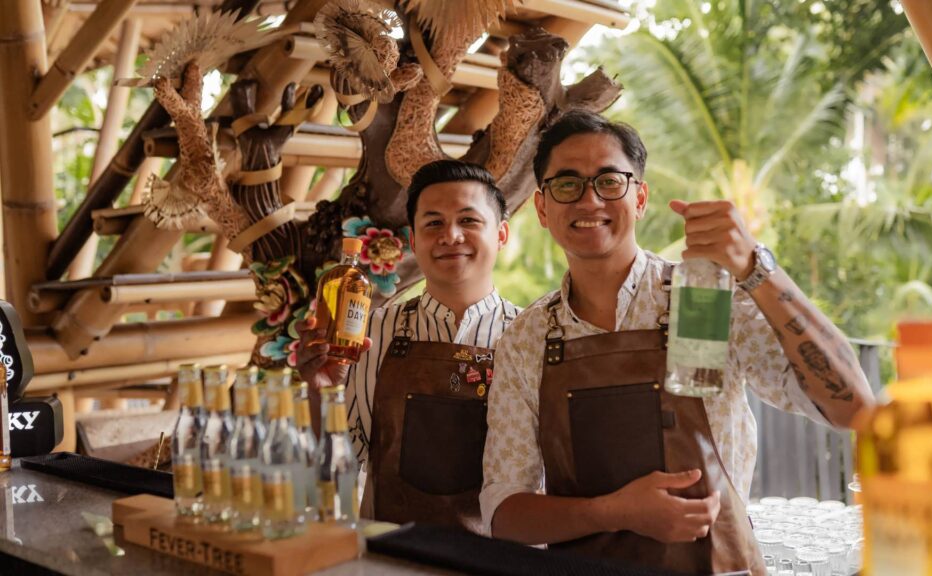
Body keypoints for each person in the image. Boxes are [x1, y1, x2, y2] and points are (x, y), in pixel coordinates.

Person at [480, 110, 873, 574]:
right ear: (543, 208)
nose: (589, 200)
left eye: (609, 181)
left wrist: (754, 268)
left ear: (640, 197)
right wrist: (615, 512)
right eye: (567, 184)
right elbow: (504, 513)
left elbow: (853, 408)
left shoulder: (700, 301)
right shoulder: (528, 337)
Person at [297, 159, 520, 532]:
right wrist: (322, 391)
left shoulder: (529, 337)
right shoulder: (372, 332)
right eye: (433, 223)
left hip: (501, 560)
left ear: (501, 234)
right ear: (413, 242)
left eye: (468, 220)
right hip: (391, 555)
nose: (451, 235)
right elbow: (339, 463)